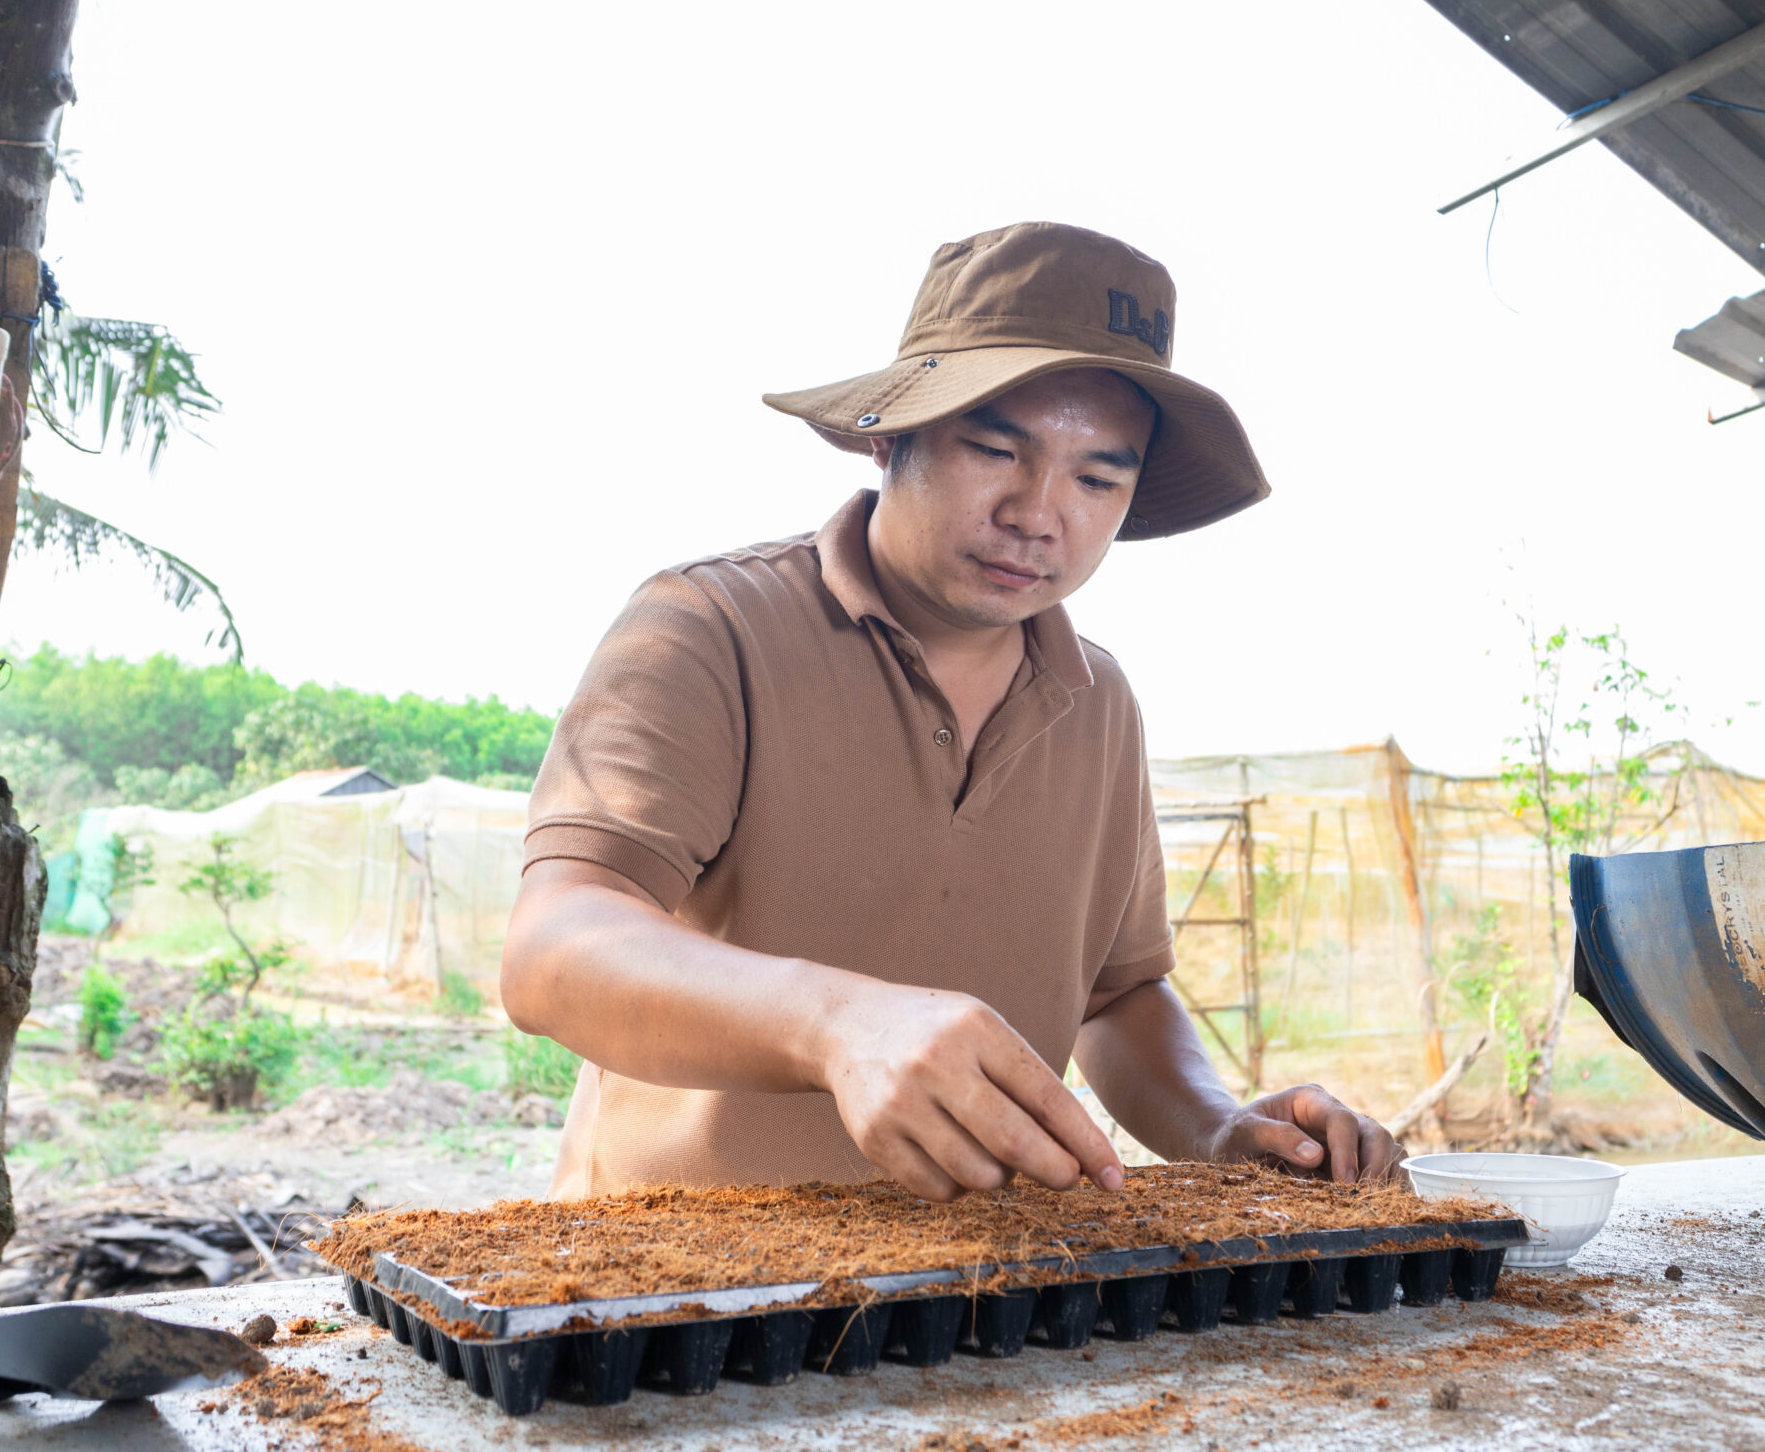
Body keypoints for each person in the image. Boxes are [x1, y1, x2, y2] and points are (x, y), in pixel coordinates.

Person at [502, 221, 1405, 1203]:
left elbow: (1117, 995)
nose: (1036, 511)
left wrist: (1216, 1122)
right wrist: (830, 1023)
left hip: (963, 1299)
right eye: (992, 448)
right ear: (892, 432)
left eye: (1097, 476)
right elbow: (553, 950)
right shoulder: (709, 627)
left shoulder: (1097, 705)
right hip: (661, 1287)